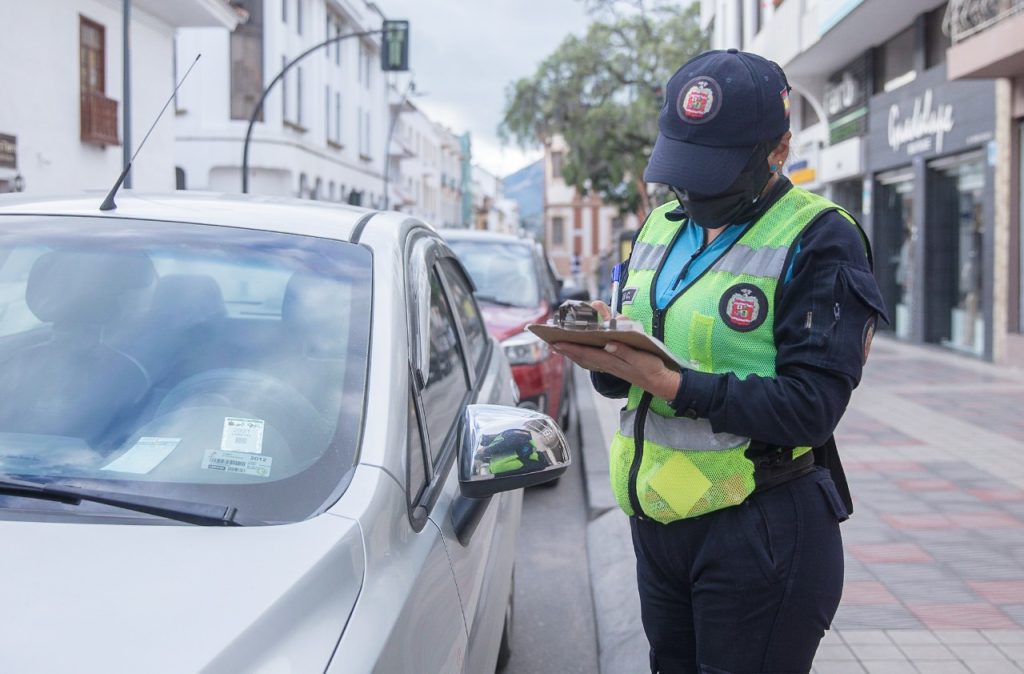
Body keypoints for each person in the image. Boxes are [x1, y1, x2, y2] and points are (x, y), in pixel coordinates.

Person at [552, 49, 887, 674]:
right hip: (660, 524)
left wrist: (674, 383)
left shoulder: (820, 236)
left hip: (760, 530)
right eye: (684, 166)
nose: (693, 188)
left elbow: (813, 408)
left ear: (779, 149)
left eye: (716, 170)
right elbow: (630, 379)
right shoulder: (658, 227)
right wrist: (604, 350)